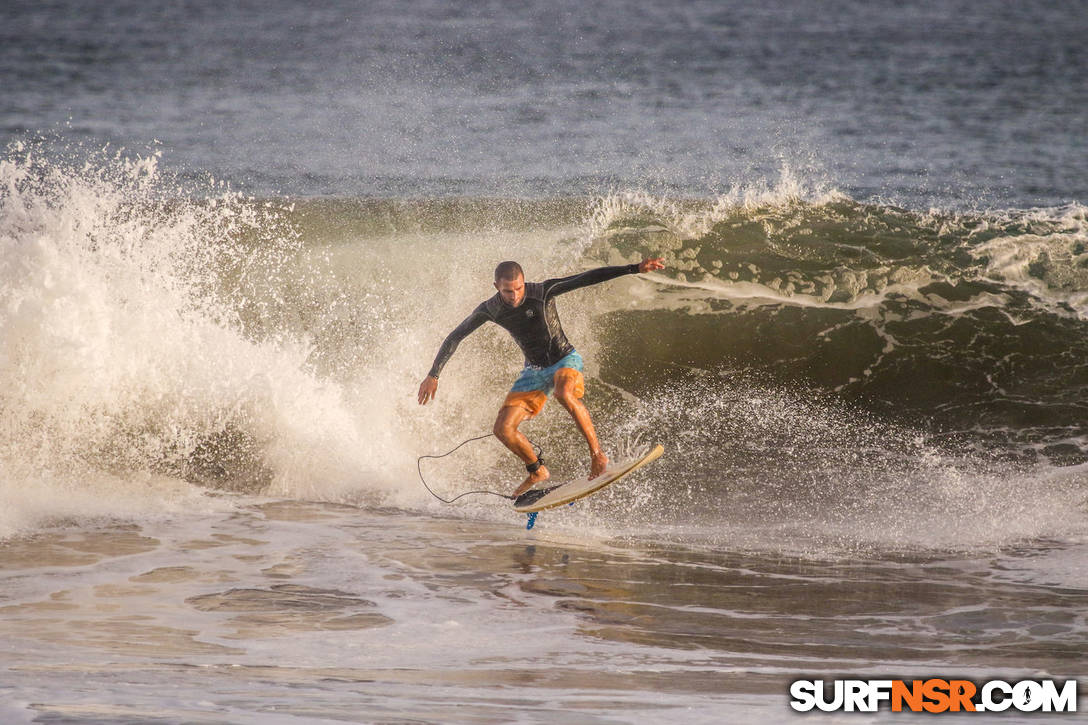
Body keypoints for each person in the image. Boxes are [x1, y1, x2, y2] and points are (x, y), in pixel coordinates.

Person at [417, 256, 666, 499]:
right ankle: (537, 470)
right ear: (496, 288)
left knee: (563, 393)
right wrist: (433, 374)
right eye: (507, 291)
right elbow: (455, 336)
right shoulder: (490, 309)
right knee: (502, 429)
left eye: (517, 288)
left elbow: (586, 278)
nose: (514, 295)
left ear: (524, 282)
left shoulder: (543, 291)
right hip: (534, 371)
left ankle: (598, 455)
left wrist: (633, 268)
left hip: (565, 359)